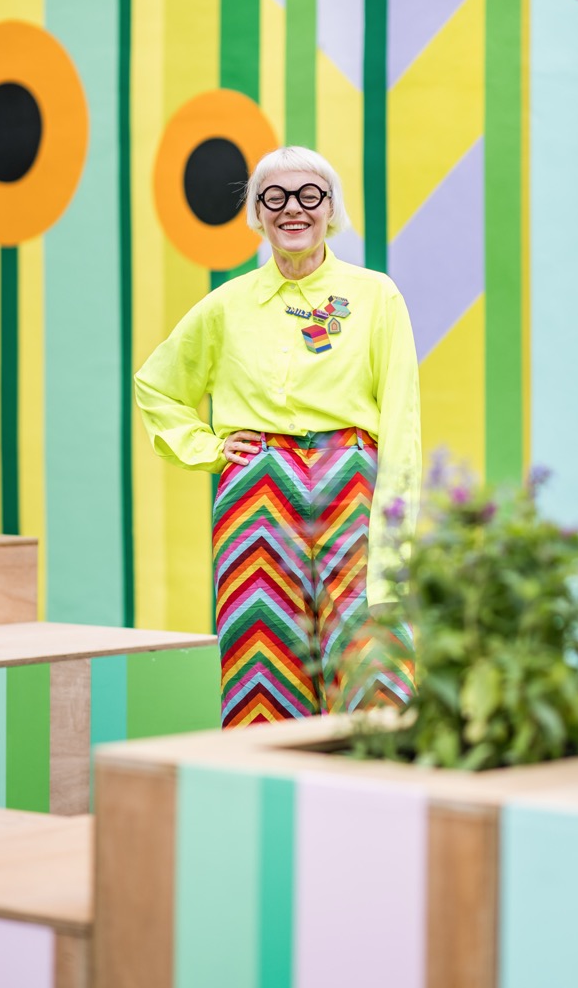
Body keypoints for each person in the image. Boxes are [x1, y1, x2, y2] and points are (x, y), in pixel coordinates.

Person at [135, 146, 420, 727]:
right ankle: (266, 769)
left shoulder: (375, 295)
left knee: (366, 644)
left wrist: (397, 537)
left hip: (353, 484)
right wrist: (210, 449)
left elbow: (402, 418)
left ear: (331, 209)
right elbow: (157, 386)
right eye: (275, 197)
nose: (293, 208)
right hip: (258, 490)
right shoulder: (226, 305)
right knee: (261, 647)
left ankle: (375, 767)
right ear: (258, 213)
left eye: (309, 195)